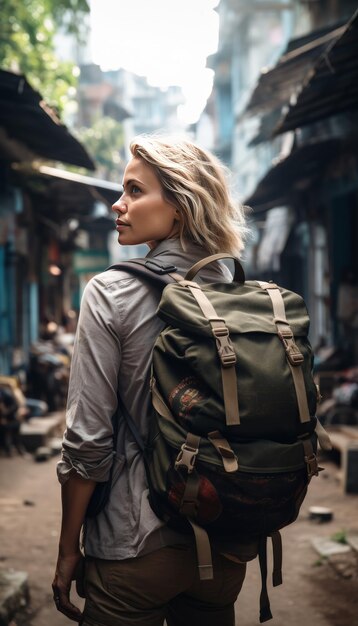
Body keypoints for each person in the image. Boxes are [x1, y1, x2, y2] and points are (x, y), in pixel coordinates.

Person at [52, 135, 248, 626]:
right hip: (225, 544)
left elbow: (87, 440)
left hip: (134, 545)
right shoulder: (241, 295)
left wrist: (67, 549)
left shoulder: (109, 292)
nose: (118, 204)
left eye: (135, 191)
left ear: (179, 207)